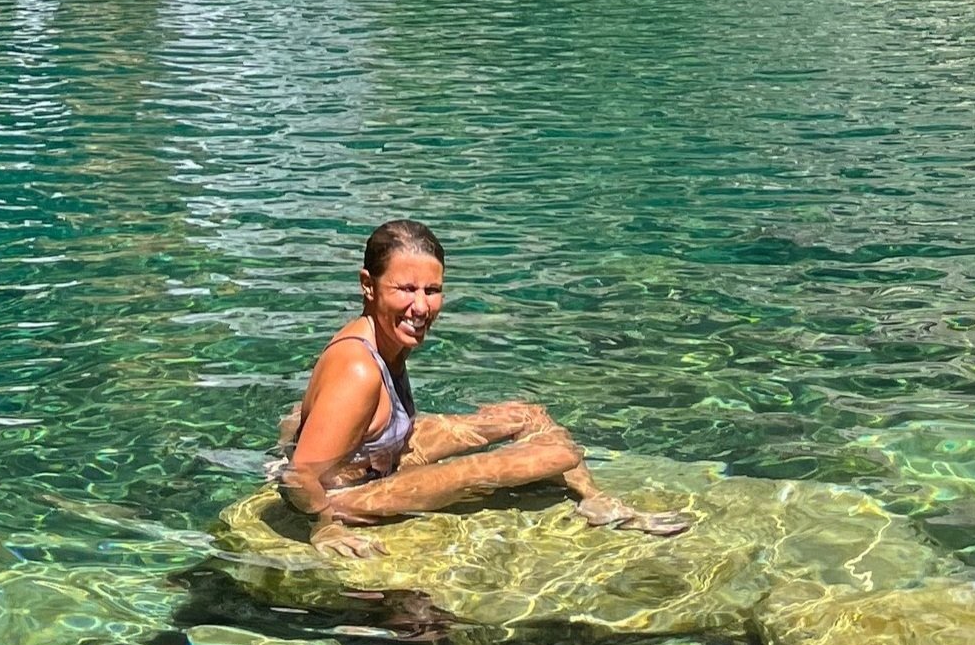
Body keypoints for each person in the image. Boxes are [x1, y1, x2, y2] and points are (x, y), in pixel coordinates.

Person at [274, 219, 692, 556]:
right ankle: (589, 497)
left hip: (380, 458)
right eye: (405, 289)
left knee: (526, 414)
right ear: (368, 285)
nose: (421, 307)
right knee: (557, 454)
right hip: (350, 496)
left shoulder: (384, 340)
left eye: (432, 291)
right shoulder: (359, 370)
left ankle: (593, 499)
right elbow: (299, 477)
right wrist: (324, 528)